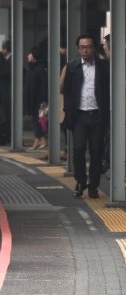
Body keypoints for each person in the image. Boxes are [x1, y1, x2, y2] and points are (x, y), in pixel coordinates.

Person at [62, 34, 110, 199]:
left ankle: (94, 186)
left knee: (96, 151)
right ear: (78, 49)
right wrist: (67, 113)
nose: (86, 50)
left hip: (97, 115)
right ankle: (80, 181)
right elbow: (66, 91)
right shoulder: (71, 66)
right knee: (78, 149)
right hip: (80, 116)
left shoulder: (104, 66)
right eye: (82, 47)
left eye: (89, 47)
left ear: (94, 48)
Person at [24, 46, 48, 150]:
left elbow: (43, 85)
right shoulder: (31, 68)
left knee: (38, 120)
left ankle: (38, 140)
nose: (28, 55)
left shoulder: (40, 69)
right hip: (31, 98)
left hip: (38, 99)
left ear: (34, 56)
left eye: (30, 54)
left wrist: (43, 100)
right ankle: (40, 140)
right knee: (36, 119)